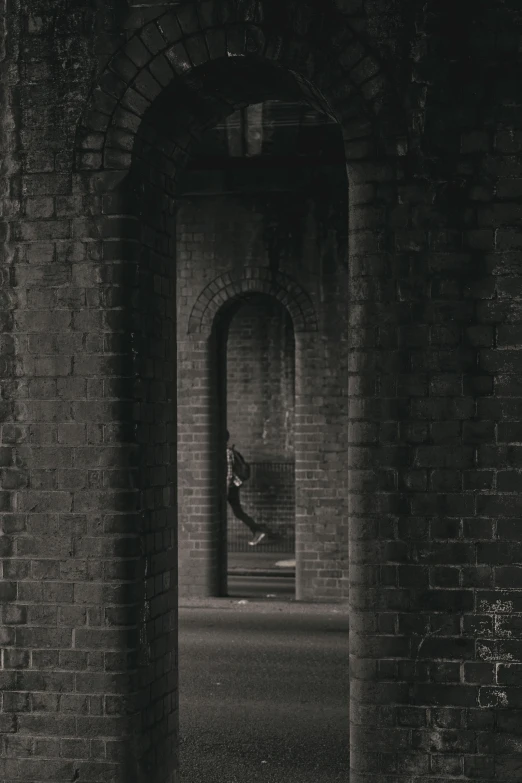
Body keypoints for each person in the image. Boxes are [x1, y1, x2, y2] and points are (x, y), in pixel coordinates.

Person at [226, 431, 267, 546]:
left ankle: (258, 530)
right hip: (232, 486)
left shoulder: (226, 453)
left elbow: (228, 475)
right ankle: (258, 530)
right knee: (238, 512)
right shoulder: (227, 452)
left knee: (235, 512)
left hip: (230, 486)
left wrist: (226, 490)